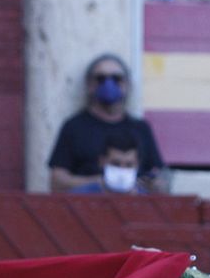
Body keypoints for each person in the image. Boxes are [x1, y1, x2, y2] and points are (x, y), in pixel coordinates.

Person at [47, 53, 166, 193]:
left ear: (127, 85)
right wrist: (99, 183)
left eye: (117, 79)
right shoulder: (74, 127)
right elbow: (57, 182)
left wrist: (149, 184)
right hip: (84, 208)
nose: (109, 84)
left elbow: (160, 181)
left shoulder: (141, 128)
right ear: (90, 84)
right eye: (100, 78)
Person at [69, 129, 150, 194]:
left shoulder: (149, 204)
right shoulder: (78, 198)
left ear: (137, 165)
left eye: (129, 165)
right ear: (102, 162)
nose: (122, 169)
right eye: (116, 164)